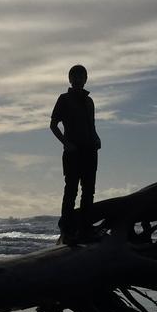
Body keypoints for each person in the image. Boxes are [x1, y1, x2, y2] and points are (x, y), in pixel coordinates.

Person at [50, 64, 101, 242]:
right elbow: (53, 125)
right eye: (75, 76)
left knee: (89, 191)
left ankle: (86, 228)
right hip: (73, 152)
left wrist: (96, 138)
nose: (79, 80)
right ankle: (67, 229)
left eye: (82, 76)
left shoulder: (89, 101)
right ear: (70, 79)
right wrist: (66, 143)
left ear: (86, 79)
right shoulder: (64, 99)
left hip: (90, 151)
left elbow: (92, 125)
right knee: (71, 190)